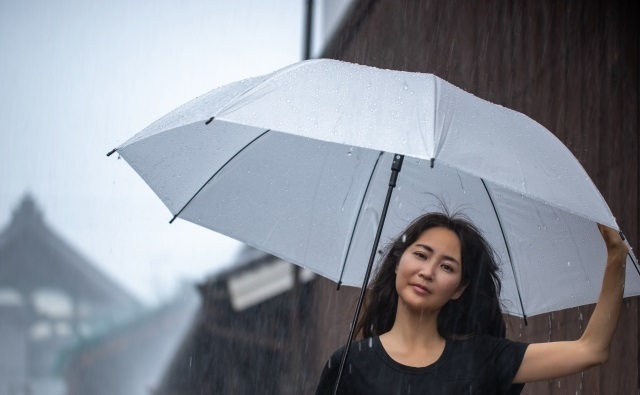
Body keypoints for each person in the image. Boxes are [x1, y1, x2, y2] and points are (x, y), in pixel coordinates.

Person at [315, 212, 628, 394]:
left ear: (458, 289)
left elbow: (591, 349)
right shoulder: (348, 365)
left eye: (447, 266)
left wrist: (616, 258)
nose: (427, 272)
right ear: (398, 263)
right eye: (421, 255)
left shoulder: (481, 357)